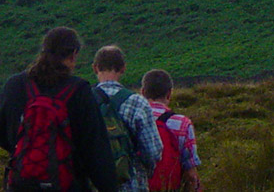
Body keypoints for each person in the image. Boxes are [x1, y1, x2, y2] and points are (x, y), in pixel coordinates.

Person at [0, 26, 118, 191]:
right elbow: (95, 151)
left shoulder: (14, 85)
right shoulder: (79, 90)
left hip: (22, 183)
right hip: (67, 184)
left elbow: (4, 135)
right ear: (73, 54)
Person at [93, 46, 163, 192]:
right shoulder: (138, 103)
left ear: (95, 68)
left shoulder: (83, 100)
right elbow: (153, 151)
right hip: (131, 184)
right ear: (123, 68)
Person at [141, 69, 203, 192]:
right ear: (169, 94)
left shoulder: (131, 119)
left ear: (142, 93)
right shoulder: (183, 123)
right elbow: (190, 174)